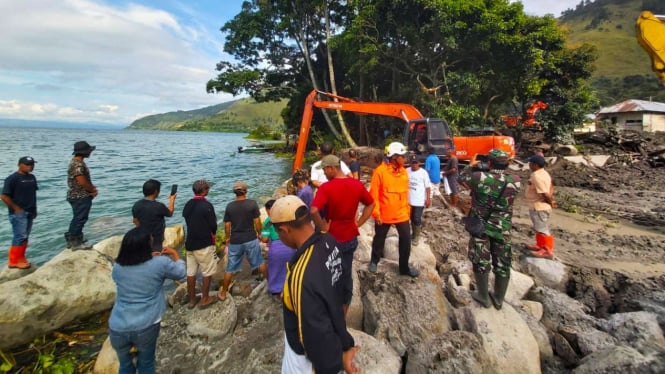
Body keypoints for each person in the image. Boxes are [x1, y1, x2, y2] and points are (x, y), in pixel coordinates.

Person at [270, 195, 359, 374]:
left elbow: (313, 334)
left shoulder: (302, 276)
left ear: (284, 230)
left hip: (303, 361)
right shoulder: (329, 241)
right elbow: (342, 291)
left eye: (278, 234)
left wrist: (334, 363)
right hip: (335, 334)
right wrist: (345, 343)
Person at [109, 227, 186, 374]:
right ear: (146, 247)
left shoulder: (118, 267)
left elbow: (136, 272)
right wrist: (175, 255)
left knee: (125, 366)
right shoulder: (160, 263)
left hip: (117, 326)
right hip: (146, 325)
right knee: (146, 364)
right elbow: (181, 273)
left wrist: (150, 257)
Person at [311, 155, 375, 313]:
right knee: (346, 272)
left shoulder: (326, 188)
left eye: (325, 170)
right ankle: (344, 310)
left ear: (332, 168)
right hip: (350, 237)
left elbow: (313, 210)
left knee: (329, 272)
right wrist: (358, 223)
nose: (324, 174)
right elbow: (371, 203)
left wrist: (323, 227)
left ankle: (328, 305)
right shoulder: (356, 184)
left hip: (332, 238)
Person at [459, 149, 520, 310]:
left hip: (481, 227)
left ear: (490, 162)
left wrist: (471, 166)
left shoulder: (480, 177)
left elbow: (461, 178)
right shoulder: (515, 180)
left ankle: (483, 296)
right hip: (503, 228)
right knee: (503, 262)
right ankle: (499, 299)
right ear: (507, 163)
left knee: (481, 259)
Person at [368, 142, 420, 278]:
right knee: (379, 239)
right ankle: (374, 261)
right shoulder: (380, 172)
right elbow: (374, 195)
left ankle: (404, 267)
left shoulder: (403, 172)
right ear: (394, 157)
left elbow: (405, 193)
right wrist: (376, 213)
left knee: (406, 240)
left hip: (401, 214)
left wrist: (408, 211)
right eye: (402, 156)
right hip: (384, 214)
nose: (405, 158)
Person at [219, 181, 267, 301]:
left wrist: (227, 238)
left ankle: (223, 293)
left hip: (235, 241)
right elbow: (257, 222)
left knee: (230, 268)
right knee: (259, 262)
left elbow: (227, 226)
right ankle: (271, 285)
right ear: (245, 191)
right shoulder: (252, 204)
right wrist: (259, 234)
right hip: (250, 238)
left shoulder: (230, 206)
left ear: (235, 193)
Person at [182, 179, 219, 309]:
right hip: (203, 243)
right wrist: (213, 234)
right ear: (204, 191)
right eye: (207, 188)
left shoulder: (188, 204)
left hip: (190, 243)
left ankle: (192, 300)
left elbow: (186, 217)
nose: (208, 190)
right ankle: (205, 298)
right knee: (207, 271)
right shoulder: (207, 206)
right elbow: (213, 225)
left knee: (191, 272)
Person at [2, 156, 38, 269]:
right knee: (19, 236)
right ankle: (13, 261)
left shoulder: (32, 177)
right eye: (27, 164)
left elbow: (33, 194)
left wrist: (34, 209)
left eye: (32, 164)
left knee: (25, 236)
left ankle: (21, 257)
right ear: (19, 164)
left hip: (30, 210)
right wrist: (16, 209)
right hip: (18, 213)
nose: (30, 166)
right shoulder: (12, 178)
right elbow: (4, 196)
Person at [65, 141, 97, 250]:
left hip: (76, 195)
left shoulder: (75, 162)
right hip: (80, 196)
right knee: (80, 218)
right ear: (84, 152)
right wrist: (92, 190)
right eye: (89, 151)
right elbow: (82, 181)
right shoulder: (78, 164)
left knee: (78, 218)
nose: (90, 153)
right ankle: (75, 243)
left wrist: (92, 188)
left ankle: (74, 239)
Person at [259, 199, 295, 296]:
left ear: (268, 210)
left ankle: (277, 290)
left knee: (275, 270)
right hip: (290, 246)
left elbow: (265, 239)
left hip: (276, 249)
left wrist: (260, 237)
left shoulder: (268, 222)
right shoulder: (286, 217)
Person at [525, 154, 557, 259]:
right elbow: (552, 185)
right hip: (538, 206)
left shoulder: (537, 176)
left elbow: (544, 193)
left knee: (542, 229)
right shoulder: (543, 173)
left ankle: (547, 250)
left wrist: (550, 202)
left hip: (538, 207)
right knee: (539, 227)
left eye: (530, 163)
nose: (529, 165)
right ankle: (540, 245)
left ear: (535, 165)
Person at [132, 179, 176, 252]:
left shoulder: (136, 205)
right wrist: (172, 199)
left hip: (143, 237)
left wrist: (141, 231)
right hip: (156, 237)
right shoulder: (159, 206)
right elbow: (170, 213)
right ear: (156, 191)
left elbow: (135, 220)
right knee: (156, 254)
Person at [406, 154, 431, 243]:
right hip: (408, 200)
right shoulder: (407, 171)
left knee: (416, 218)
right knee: (409, 218)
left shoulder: (423, 173)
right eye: (412, 163)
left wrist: (428, 198)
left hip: (419, 200)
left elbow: (428, 187)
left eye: (416, 163)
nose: (414, 164)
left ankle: (416, 236)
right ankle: (412, 234)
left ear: (419, 163)